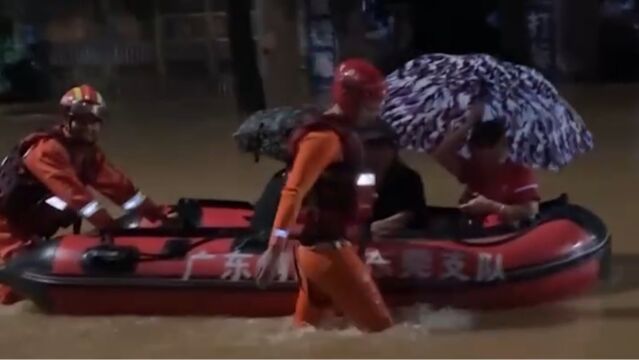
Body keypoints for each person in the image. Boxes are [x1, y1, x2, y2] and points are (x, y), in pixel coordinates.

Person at [255, 58, 393, 332]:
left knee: (304, 336)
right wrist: (274, 247)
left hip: (319, 251)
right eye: (372, 100)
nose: (377, 108)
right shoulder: (324, 138)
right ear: (353, 97)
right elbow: (294, 190)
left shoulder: (342, 134)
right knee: (384, 335)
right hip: (327, 252)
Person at [0, 84, 169, 304]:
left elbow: (121, 189)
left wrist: (159, 215)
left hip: (26, 219)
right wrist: (113, 233)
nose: (89, 127)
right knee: (12, 292)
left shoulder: (86, 152)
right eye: (82, 120)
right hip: (6, 223)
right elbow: (79, 199)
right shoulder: (47, 150)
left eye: (94, 121)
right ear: (67, 119)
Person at [432, 102, 540, 224]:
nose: (474, 155)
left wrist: (492, 207)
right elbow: (441, 154)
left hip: (505, 232)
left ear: (498, 147)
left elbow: (531, 211)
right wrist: (470, 122)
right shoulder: (474, 168)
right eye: (474, 149)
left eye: (482, 150)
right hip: (474, 229)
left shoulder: (519, 170)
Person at [359, 122, 427, 238]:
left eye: (381, 147)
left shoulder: (408, 178)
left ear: (393, 151)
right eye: (370, 147)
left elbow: (417, 218)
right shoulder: (347, 177)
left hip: (396, 241)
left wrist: (402, 219)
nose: (375, 154)